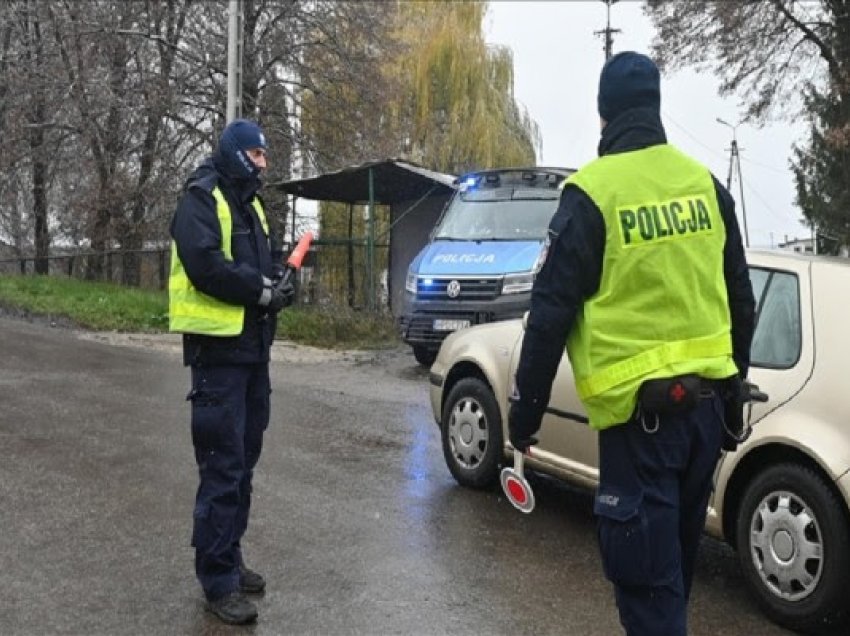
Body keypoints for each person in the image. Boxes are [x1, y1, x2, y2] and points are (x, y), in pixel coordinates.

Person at [508, 52, 756, 636]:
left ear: (603, 116)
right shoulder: (706, 187)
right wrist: (731, 401)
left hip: (640, 429)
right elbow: (740, 301)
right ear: (656, 107)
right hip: (704, 422)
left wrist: (523, 417)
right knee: (672, 579)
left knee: (650, 599)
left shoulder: (591, 194)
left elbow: (548, 316)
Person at [169, 118, 294, 625]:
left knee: (243, 462)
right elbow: (206, 265)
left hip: (251, 354)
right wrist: (261, 290)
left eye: (265, 155)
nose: (264, 163)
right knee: (221, 467)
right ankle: (216, 580)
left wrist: (284, 279)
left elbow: (261, 264)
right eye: (257, 155)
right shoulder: (201, 197)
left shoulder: (252, 203)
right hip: (217, 358)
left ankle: (231, 556)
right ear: (237, 153)